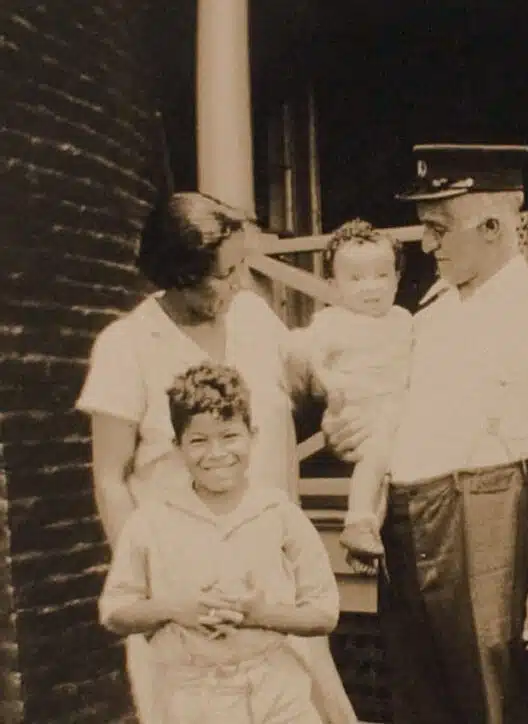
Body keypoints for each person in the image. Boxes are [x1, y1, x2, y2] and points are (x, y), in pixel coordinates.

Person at [76, 191, 357, 724]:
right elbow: (110, 478)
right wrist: (154, 593)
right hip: (190, 601)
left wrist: (337, 404)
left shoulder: (251, 317)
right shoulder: (128, 345)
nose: (240, 284)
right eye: (225, 274)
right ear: (180, 275)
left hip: (273, 583)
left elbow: (307, 378)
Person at [323, 143, 528, 724]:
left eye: (438, 228)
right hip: (411, 527)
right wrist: (346, 435)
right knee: (420, 702)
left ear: (491, 225)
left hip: (492, 524)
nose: (426, 244)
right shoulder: (429, 317)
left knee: (496, 700)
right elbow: (390, 419)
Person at [99, 361, 339, 723]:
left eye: (229, 436)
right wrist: (177, 609)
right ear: (177, 446)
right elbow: (115, 613)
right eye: (198, 441)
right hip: (195, 697)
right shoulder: (151, 521)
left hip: (278, 690)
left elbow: (324, 614)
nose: (216, 454)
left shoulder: (278, 513)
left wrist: (261, 615)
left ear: (252, 435)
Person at [287, 219, 413, 562]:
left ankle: (369, 536)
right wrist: (332, 387)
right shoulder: (333, 321)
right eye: (356, 279)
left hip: (397, 407)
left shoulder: (403, 319)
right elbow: (309, 355)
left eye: (381, 275)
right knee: (376, 457)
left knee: (386, 469)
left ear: (398, 278)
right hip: (359, 407)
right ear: (333, 285)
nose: (370, 287)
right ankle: (358, 520)